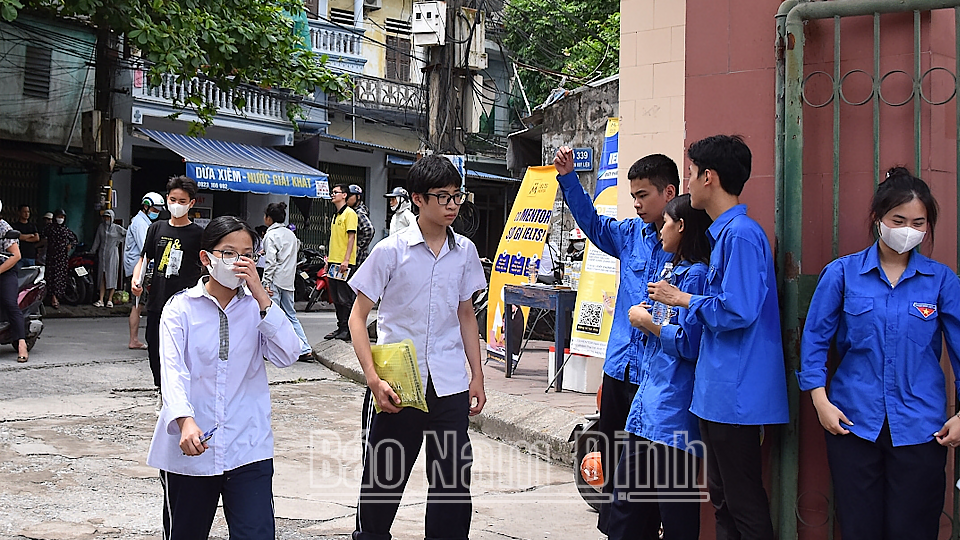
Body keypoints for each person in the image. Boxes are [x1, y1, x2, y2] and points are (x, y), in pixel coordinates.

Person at [798, 167, 960, 540]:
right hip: (853, 423)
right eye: (898, 219)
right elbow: (815, 341)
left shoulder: (941, 280)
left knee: (914, 528)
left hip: (922, 428)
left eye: (918, 222)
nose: (907, 230)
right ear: (878, 219)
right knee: (860, 527)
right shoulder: (842, 273)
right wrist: (820, 401)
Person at [648, 135, 789, 540]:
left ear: (708, 177)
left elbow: (738, 309)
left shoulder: (741, 235)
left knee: (742, 503)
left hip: (737, 395)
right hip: (719, 393)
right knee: (724, 500)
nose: (688, 182)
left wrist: (683, 298)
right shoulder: (726, 234)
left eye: (691, 173)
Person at [348, 155, 487, 540]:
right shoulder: (390, 251)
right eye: (442, 197)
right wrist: (373, 380)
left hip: (449, 384)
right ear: (417, 199)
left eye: (457, 196)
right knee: (383, 481)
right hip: (398, 385)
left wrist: (476, 376)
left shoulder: (465, 252)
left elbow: (465, 315)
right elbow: (357, 318)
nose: (452, 205)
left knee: (452, 485)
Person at [145, 215, 300, 540]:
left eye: (247, 254)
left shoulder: (257, 308)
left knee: (256, 532)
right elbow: (172, 372)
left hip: (248, 445)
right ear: (207, 258)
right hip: (191, 446)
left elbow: (288, 354)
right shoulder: (180, 309)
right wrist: (184, 421)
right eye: (229, 253)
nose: (239, 262)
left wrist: (261, 296)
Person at [553, 147, 676, 537]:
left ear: (668, 193)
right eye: (633, 195)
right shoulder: (627, 235)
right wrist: (569, 178)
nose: (637, 203)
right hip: (619, 367)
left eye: (643, 195)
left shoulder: (684, 244)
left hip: (654, 378)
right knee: (611, 457)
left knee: (647, 471)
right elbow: (590, 221)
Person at [609, 194, 712, 540]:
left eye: (665, 223)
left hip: (673, 415)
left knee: (675, 511)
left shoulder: (695, 277)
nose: (660, 230)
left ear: (681, 226)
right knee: (626, 507)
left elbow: (691, 343)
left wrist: (650, 324)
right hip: (647, 408)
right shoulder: (670, 268)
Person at [132, 176, 204, 412]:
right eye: (172, 199)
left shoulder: (198, 234)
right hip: (158, 300)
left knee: (184, 349)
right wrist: (137, 279)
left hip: (187, 302)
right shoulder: (156, 228)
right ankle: (162, 390)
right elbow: (145, 258)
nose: (176, 204)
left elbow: (207, 266)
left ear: (191, 203)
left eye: (182, 200)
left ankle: (182, 394)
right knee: (155, 346)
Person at [261, 201, 313, 361]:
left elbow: (271, 262)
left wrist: (265, 283)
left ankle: (273, 350)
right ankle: (305, 348)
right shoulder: (291, 235)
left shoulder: (270, 235)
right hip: (289, 281)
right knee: (291, 315)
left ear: (269, 218)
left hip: (275, 281)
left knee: (272, 315)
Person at [124, 192, 164, 350]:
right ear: (146, 206)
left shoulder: (144, 221)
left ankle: (135, 339)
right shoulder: (141, 224)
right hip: (139, 270)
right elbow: (146, 249)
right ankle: (133, 340)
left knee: (139, 305)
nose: (156, 212)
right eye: (154, 209)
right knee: (137, 305)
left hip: (140, 268)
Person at [324, 184, 358, 341]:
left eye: (336, 192)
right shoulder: (335, 215)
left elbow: (351, 238)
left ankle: (348, 329)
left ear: (344, 195)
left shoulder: (350, 214)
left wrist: (346, 259)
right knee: (336, 297)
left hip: (344, 263)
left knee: (345, 297)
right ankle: (340, 327)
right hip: (333, 262)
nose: (333, 195)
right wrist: (328, 260)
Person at [0, 200, 28, 362]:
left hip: (6, 271)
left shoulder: (5, 228)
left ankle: (21, 344)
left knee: (10, 303)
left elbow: (16, 256)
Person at [90, 209, 127, 308]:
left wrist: (119, 242)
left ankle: (110, 299)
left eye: (108, 217)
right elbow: (97, 241)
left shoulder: (117, 228)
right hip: (102, 254)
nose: (106, 219)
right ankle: (101, 299)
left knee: (112, 276)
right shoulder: (101, 228)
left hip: (113, 254)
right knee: (102, 276)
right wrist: (92, 251)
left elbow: (127, 234)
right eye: (105, 217)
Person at [42, 209, 77, 309]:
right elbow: (42, 235)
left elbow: (74, 239)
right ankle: (52, 298)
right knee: (51, 277)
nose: (60, 219)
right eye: (59, 217)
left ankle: (57, 297)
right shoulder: (50, 228)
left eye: (62, 217)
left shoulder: (65, 230)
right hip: (51, 257)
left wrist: (70, 245)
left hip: (62, 259)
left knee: (60, 279)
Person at [346, 184, 375, 266]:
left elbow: (369, 229)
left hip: (358, 256)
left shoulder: (358, 212)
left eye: (350, 195)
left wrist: (360, 247)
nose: (347, 198)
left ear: (358, 197)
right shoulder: (352, 210)